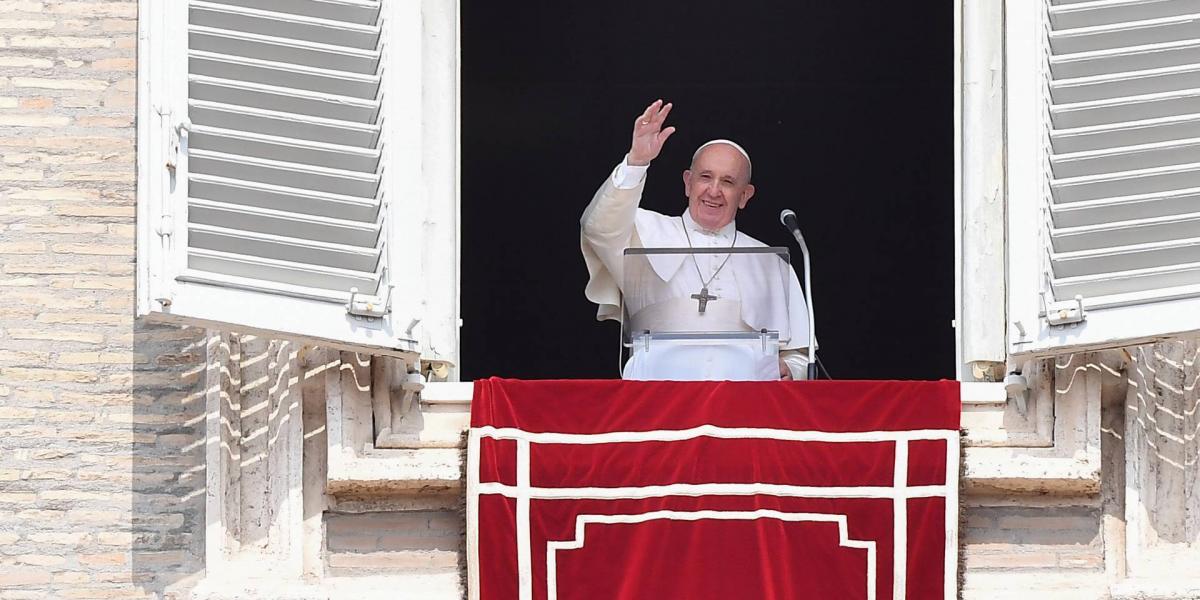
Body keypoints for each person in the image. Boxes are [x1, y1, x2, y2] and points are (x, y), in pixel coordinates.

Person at [580, 99, 811, 380]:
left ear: (745, 196)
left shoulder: (771, 262)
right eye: (705, 177)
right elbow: (598, 228)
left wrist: (791, 369)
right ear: (688, 182)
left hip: (745, 409)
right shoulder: (643, 231)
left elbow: (799, 355)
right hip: (658, 402)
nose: (714, 191)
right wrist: (637, 161)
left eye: (727, 182)